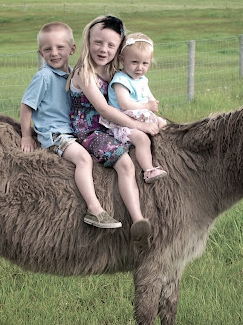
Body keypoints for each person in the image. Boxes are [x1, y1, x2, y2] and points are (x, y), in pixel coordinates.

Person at [67, 15, 160, 248]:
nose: (103, 49)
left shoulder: (112, 72)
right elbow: (105, 110)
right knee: (125, 164)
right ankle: (137, 219)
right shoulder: (85, 73)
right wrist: (140, 125)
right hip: (91, 131)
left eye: (111, 45)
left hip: (111, 127)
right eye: (98, 42)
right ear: (88, 41)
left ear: (119, 49)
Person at [20, 22, 121, 229]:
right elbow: (26, 106)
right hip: (55, 133)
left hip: (73, 131)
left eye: (60, 47)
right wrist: (26, 135)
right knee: (84, 159)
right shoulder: (44, 77)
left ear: (72, 49)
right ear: (40, 53)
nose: (54, 53)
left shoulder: (75, 74)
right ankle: (94, 210)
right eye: (48, 49)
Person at [100, 32, 168, 183]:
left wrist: (152, 102)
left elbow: (148, 95)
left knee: (163, 124)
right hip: (123, 122)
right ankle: (148, 170)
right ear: (122, 60)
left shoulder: (141, 79)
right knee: (142, 139)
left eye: (145, 63)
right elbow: (125, 104)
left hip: (138, 116)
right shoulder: (121, 80)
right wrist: (147, 106)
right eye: (135, 62)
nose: (139, 68)